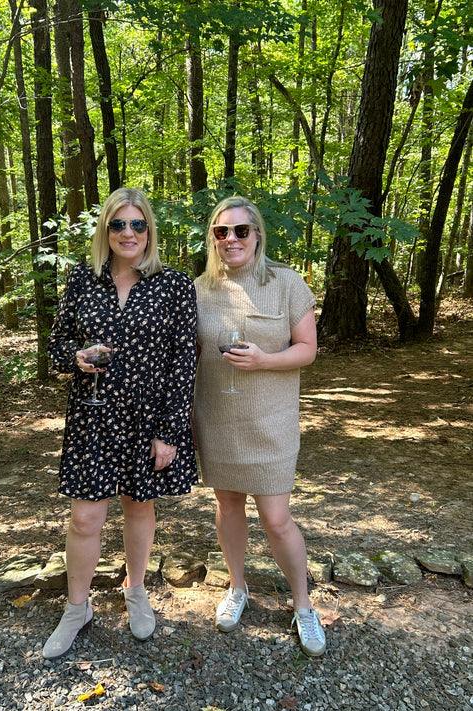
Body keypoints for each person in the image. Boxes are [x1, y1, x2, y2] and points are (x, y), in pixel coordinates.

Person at [44, 187, 197, 659]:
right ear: (105, 231)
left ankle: (136, 591)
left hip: (149, 418)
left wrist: (170, 431)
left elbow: (184, 361)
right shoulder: (81, 280)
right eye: (118, 224)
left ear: (149, 230)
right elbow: (53, 350)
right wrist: (76, 358)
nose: (127, 233)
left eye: (137, 224)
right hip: (94, 416)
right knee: (85, 515)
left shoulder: (174, 285)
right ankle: (77, 608)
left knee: (138, 505)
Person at [193, 195, 326, 657]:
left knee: (275, 517)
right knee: (229, 507)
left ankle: (304, 605)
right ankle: (237, 587)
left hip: (271, 422)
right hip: (217, 417)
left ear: (258, 236)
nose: (231, 239)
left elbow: (307, 349)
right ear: (213, 238)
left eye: (241, 231)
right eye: (221, 232)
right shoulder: (197, 289)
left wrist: (265, 361)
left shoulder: (287, 283)